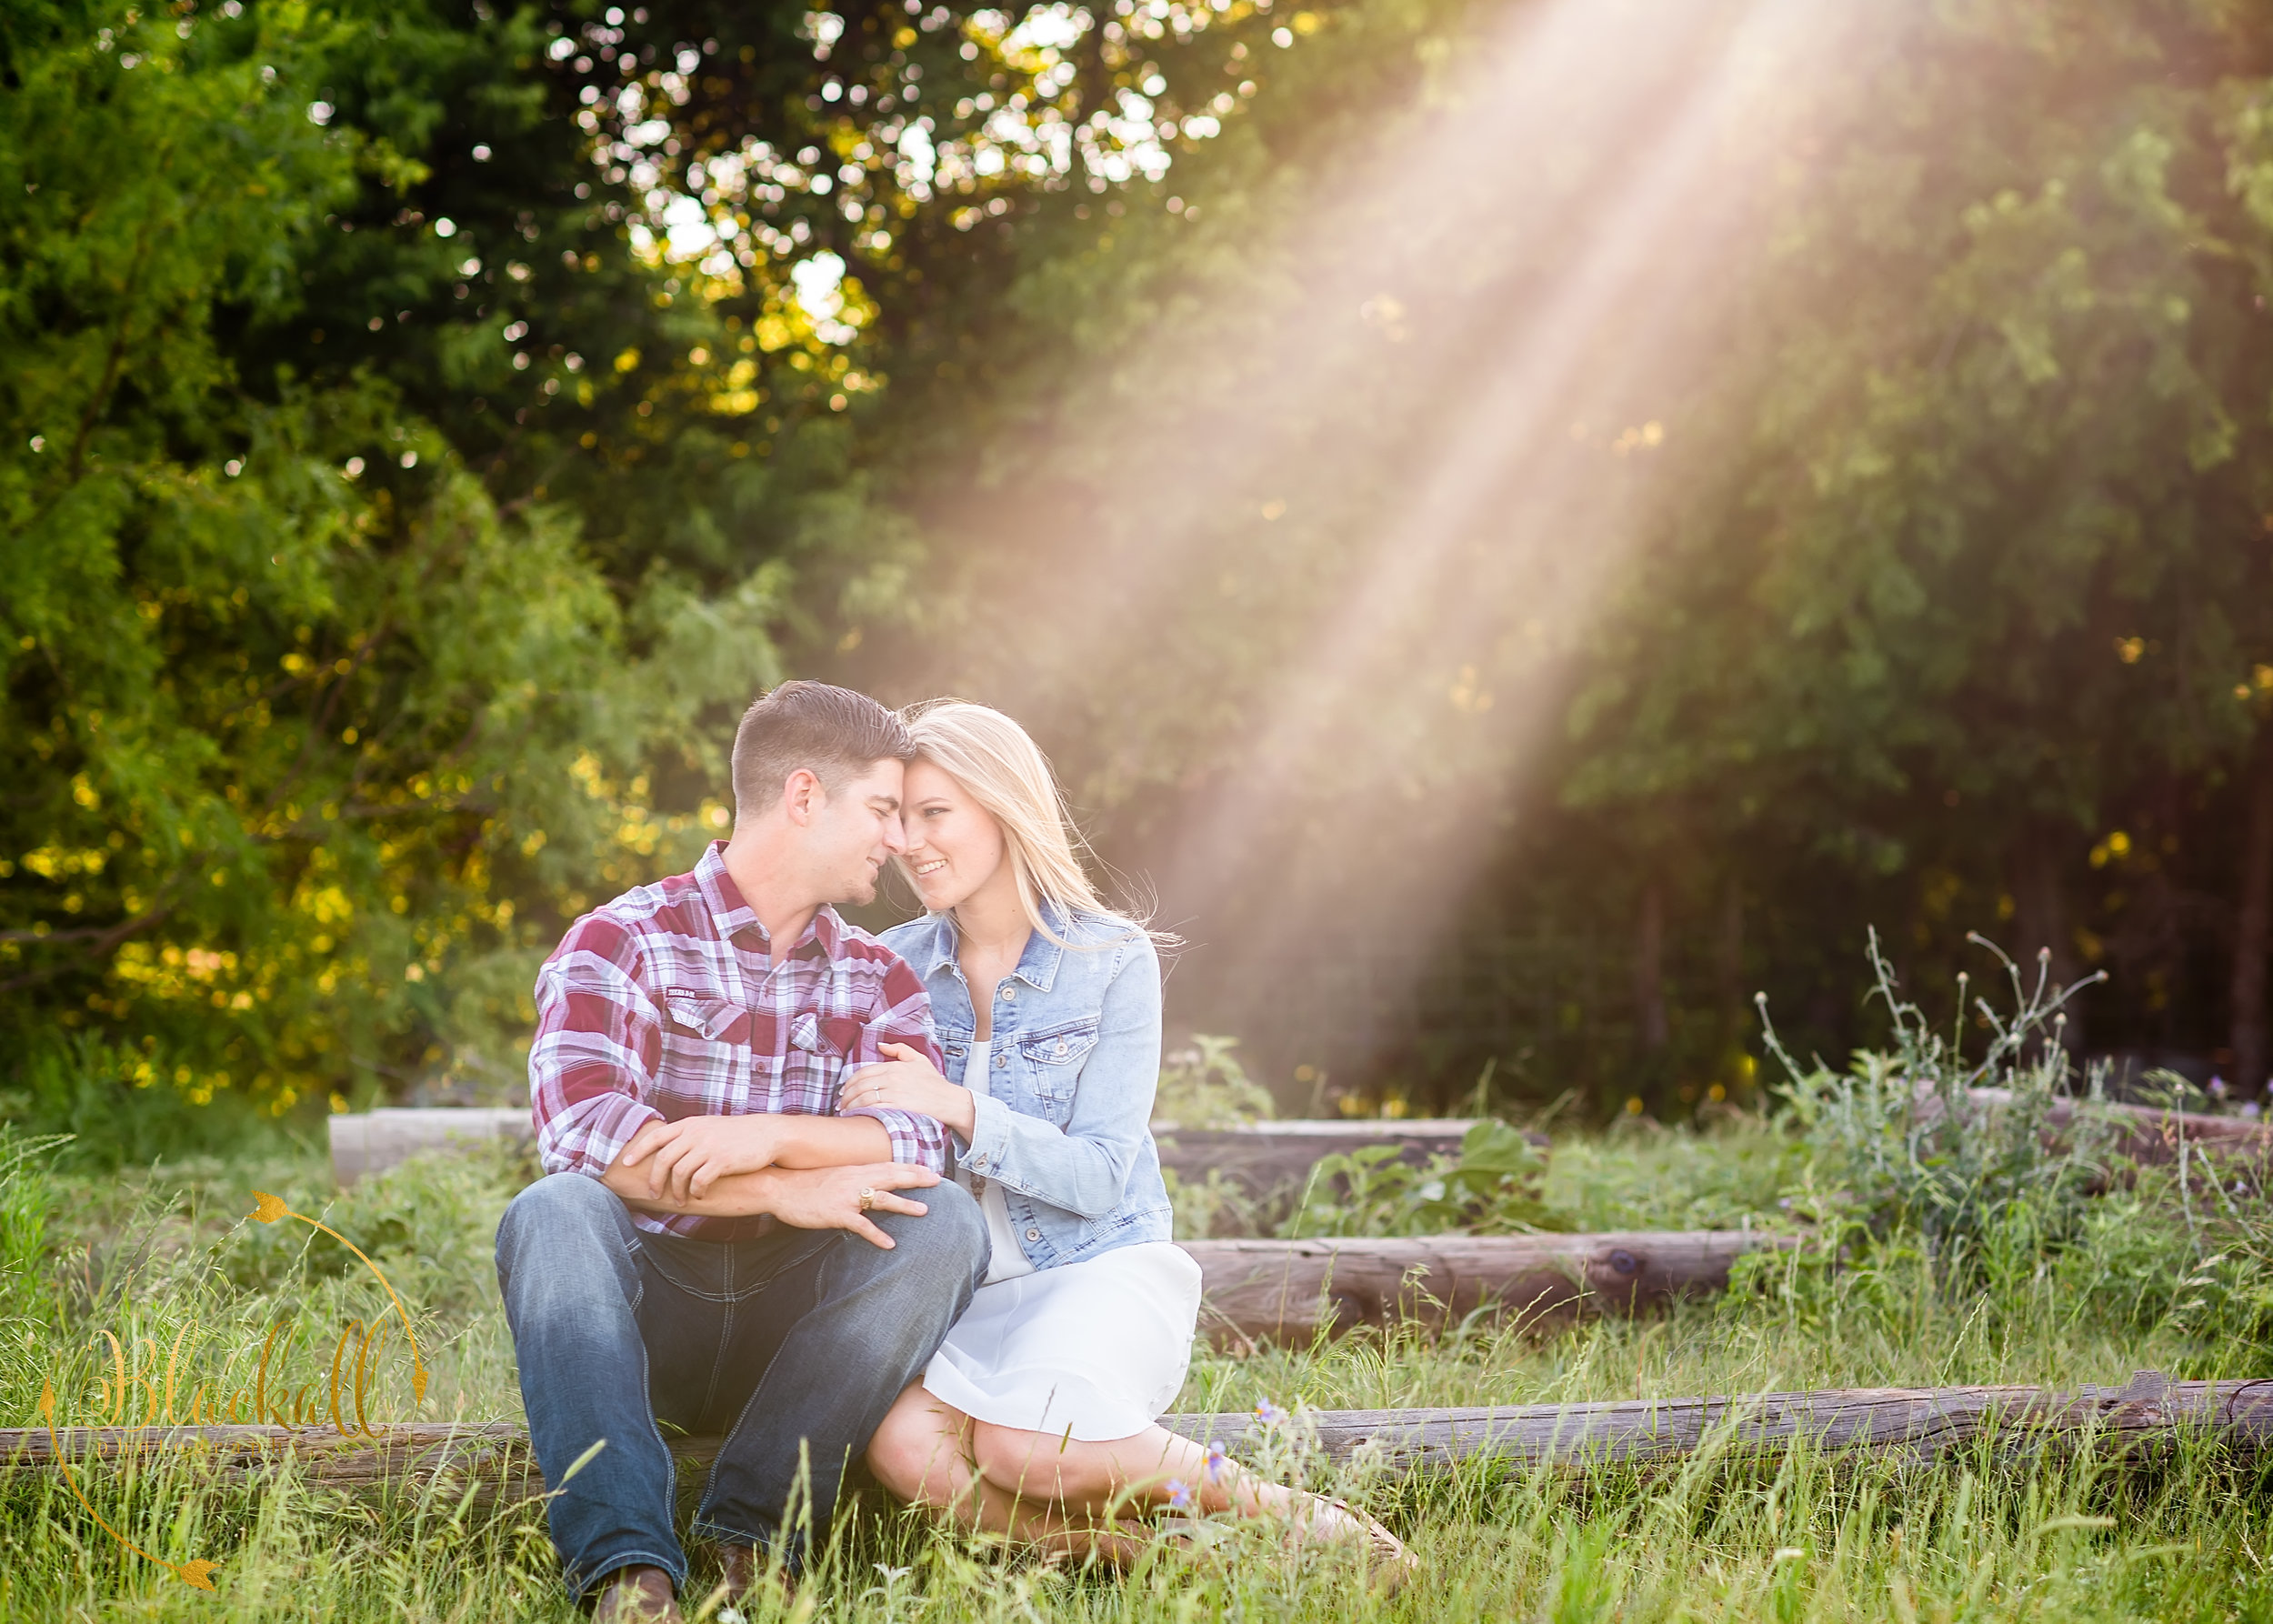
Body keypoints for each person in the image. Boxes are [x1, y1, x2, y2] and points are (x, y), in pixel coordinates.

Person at [846, 699, 1411, 1577]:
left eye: (935, 814)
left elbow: (1103, 1176)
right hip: (950, 1293)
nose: (909, 842)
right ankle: (1175, 1566)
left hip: (1089, 1270)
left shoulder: (1112, 960)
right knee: (905, 1455)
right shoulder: (890, 965)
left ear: (1002, 805)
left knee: (1029, 1451)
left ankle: (1293, 1514)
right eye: (897, 818)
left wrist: (960, 1107)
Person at [495, 681, 990, 1624]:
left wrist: (763, 1138)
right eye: (881, 808)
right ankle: (628, 1578)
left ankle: (755, 1546)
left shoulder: (877, 974)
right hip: (648, 1313)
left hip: (796, 1328)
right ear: (804, 796)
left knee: (945, 1222)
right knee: (551, 1211)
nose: (897, 838)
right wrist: (783, 1187)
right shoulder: (622, 938)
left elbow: (914, 1141)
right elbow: (588, 1136)